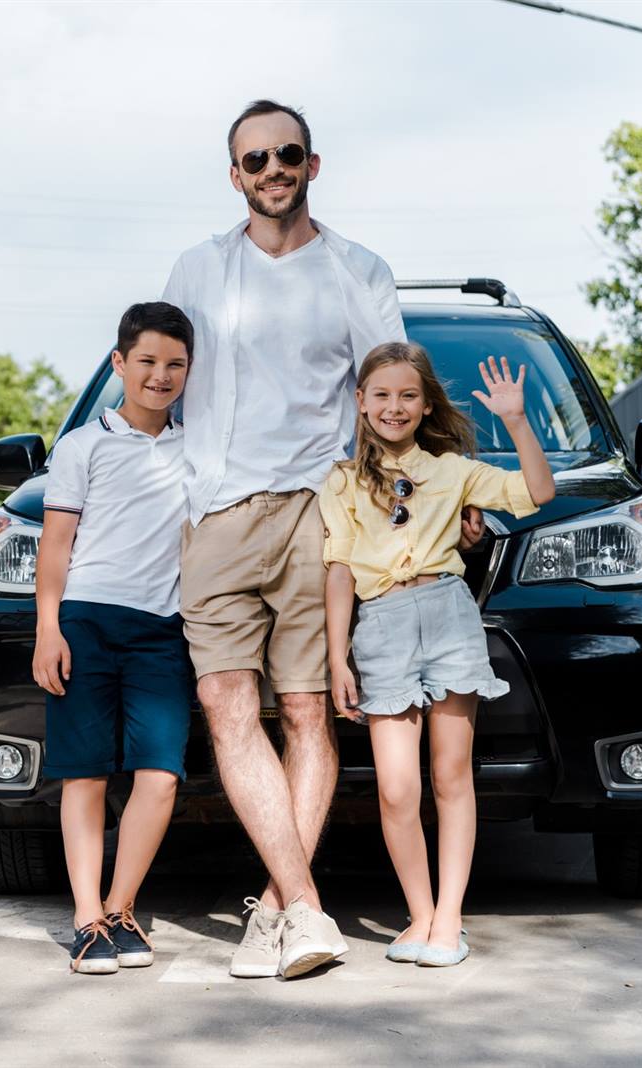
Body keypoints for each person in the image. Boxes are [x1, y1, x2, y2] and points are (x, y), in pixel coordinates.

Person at [161, 99, 482, 979]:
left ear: (311, 163)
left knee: (304, 710)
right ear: (235, 175)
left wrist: (441, 491)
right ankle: (304, 907)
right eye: (254, 158)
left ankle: (280, 913)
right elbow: (161, 383)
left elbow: (396, 398)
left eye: (286, 154)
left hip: (319, 513)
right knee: (228, 704)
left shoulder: (357, 269)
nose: (271, 169)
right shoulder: (197, 268)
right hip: (217, 512)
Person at [322, 343, 556, 968]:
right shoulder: (341, 481)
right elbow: (340, 568)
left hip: (449, 615)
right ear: (361, 403)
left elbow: (537, 490)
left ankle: (449, 918)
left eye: (407, 395)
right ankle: (419, 913)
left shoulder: (453, 470)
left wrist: (514, 418)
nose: (393, 407)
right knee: (398, 789)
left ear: (425, 406)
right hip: (382, 626)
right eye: (381, 395)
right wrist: (337, 657)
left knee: (451, 775)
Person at [32, 302, 195, 974]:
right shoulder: (83, 445)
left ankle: (122, 910)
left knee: (159, 776)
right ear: (120, 364)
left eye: (176, 364)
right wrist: (48, 629)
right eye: (148, 361)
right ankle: (86, 917)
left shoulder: (197, 448)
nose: (161, 375)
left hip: (163, 630)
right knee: (86, 773)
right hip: (87, 623)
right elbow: (57, 545)